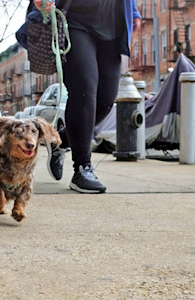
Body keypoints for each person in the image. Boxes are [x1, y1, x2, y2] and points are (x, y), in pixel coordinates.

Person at [19, 0, 141, 193]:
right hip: (74, 20)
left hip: (113, 24)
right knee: (84, 91)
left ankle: (60, 140)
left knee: (106, 101)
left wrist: (133, 11)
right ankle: (82, 169)